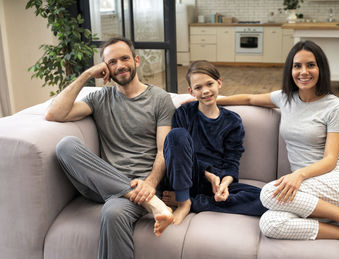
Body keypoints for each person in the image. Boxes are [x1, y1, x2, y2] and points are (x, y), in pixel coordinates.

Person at [216, 41, 339, 247]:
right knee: (269, 223)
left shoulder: (334, 106)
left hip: (336, 181)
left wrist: (299, 175)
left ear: (321, 68)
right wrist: (211, 100)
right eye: (297, 66)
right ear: (290, 70)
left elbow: (330, 159)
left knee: (268, 193)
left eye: (310, 65)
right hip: (306, 192)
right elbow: (249, 99)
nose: (304, 72)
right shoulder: (285, 98)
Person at [46, 37, 176, 259]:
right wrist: (87, 74)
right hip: (103, 183)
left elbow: (164, 151)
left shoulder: (160, 99)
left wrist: (150, 184)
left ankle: (144, 197)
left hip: (141, 184)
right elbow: (54, 113)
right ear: (105, 68)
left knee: (113, 211)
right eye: (112, 62)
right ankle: (152, 204)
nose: (120, 65)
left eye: (125, 58)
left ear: (136, 60)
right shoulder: (99, 98)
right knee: (66, 145)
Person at [161, 60, 267, 225]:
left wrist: (223, 184)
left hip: (215, 183)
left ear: (219, 83)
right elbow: (177, 151)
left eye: (209, 84)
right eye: (198, 88)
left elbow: (232, 162)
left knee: (266, 199)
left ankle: (194, 202)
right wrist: (208, 175)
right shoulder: (184, 113)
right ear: (191, 91)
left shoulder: (232, 121)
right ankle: (183, 201)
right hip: (187, 176)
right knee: (176, 135)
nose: (205, 91)